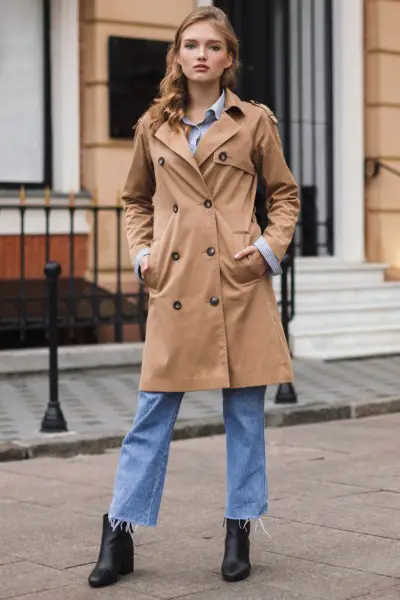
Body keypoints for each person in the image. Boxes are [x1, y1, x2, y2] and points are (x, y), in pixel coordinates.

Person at [88, 5, 299, 588]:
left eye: (212, 45)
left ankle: (239, 528)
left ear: (229, 59)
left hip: (237, 279)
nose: (200, 54)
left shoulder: (254, 121)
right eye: (190, 45)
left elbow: (284, 196)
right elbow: (135, 200)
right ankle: (118, 530)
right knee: (151, 414)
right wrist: (142, 253)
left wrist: (267, 249)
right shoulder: (153, 125)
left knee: (244, 415)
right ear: (177, 56)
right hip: (177, 283)